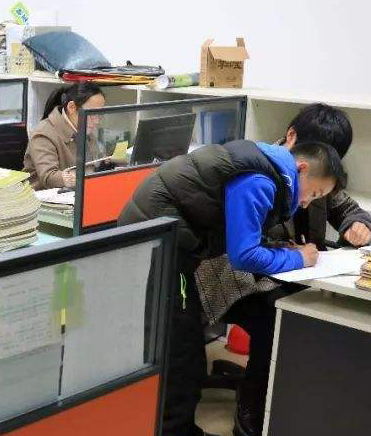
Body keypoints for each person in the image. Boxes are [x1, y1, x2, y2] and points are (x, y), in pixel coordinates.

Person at [117, 139, 347, 436]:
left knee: (184, 346)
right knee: (182, 353)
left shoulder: (267, 165)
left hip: (168, 237)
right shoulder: (261, 181)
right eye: (313, 193)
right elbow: (244, 256)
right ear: (301, 169)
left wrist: (278, 248)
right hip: (159, 241)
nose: (307, 203)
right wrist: (297, 258)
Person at [194, 103, 371, 436]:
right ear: (293, 138)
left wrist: (357, 225)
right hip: (233, 276)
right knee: (276, 315)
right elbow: (247, 250)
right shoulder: (261, 170)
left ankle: (297, 396)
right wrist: (294, 254)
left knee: (319, 313)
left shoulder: (320, 173)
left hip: (289, 271)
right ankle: (252, 411)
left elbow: (349, 209)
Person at [22, 82, 108, 190]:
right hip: (44, 196)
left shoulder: (84, 127)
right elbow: (49, 177)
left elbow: (95, 163)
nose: (96, 121)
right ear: (71, 107)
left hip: (76, 192)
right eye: (92, 114)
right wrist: (77, 177)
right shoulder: (43, 134)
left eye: (100, 115)